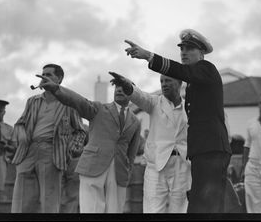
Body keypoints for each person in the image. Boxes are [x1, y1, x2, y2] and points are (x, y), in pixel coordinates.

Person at [124, 28, 232, 213]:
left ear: (202, 53)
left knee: (206, 204)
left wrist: (148, 56)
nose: (183, 52)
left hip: (211, 149)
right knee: (201, 203)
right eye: (182, 48)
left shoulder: (206, 69)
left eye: (189, 48)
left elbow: (182, 71)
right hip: (204, 150)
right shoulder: (195, 80)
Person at [38, 73, 141, 213]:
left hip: (119, 172)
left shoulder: (135, 121)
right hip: (93, 166)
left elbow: (132, 151)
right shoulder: (98, 108)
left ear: (133, 93)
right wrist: (56, 88)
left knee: (115, 210)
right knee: (90, 210)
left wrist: (127, 170)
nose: (119, 89)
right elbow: (78, 101)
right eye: (117, 86)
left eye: (124, 87)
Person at [109, 72, 191, 213]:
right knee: (152, 209)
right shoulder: (154, 102)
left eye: (168, 80)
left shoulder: (189, 107)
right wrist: (127, 85)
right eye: (161, 81)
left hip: (182, 165)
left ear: (180, 83)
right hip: (156, 165)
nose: (164, 84)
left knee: (180, 209)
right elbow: (139, 96)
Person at [10, 64, 87, 213]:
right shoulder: (32, 101)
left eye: (49, 75)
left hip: (52, 152)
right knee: (21, 201)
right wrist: (22, 135)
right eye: (43, 74)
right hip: (27, 152)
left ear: (59, 79)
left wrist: (72, 148)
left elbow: (80, 131)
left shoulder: (69, 103)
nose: (43, 77)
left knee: (49, 202)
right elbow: (19, 123)